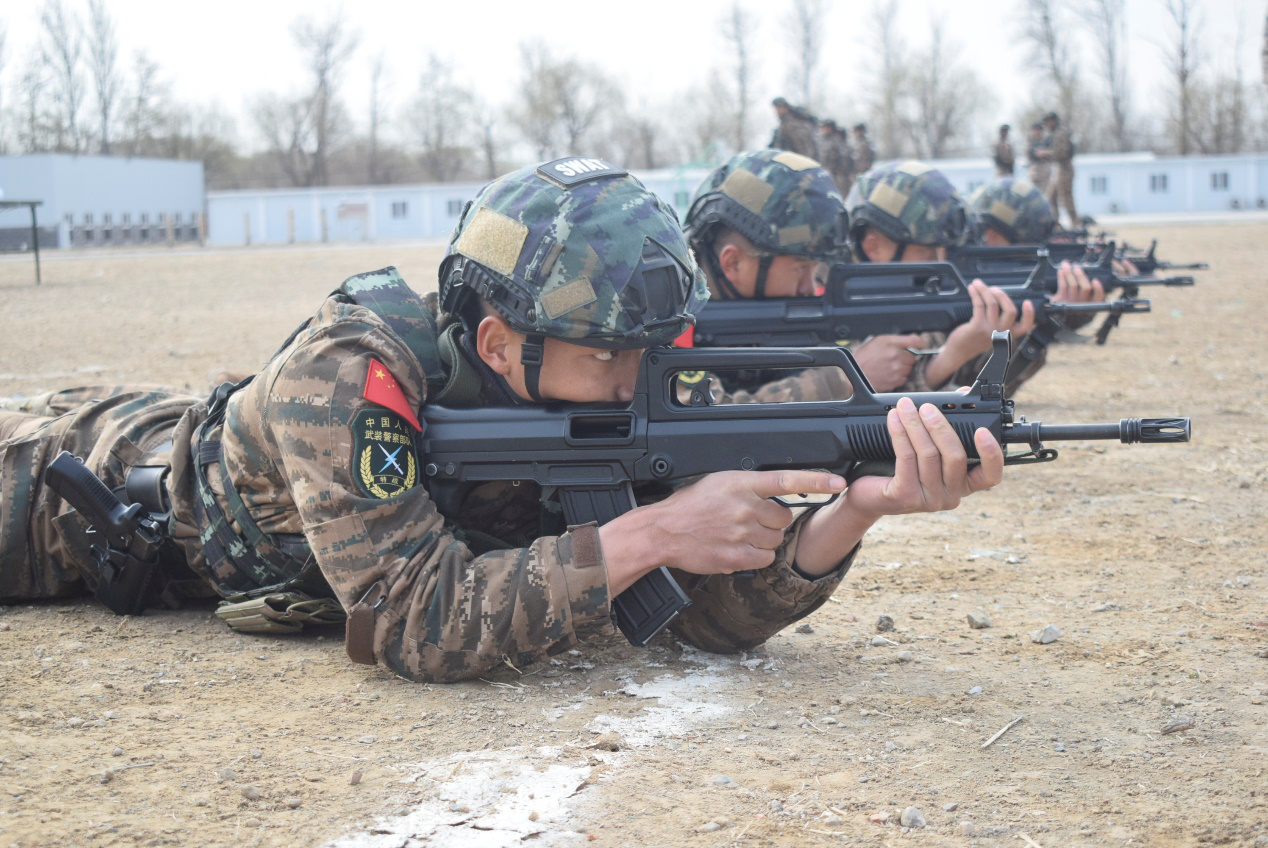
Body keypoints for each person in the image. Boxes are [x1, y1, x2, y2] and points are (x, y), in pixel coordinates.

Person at [0, 158, 1006, 683]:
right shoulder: (353, 373)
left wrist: (844, 514)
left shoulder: (601, 399)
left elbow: (695, 618)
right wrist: (651, 529)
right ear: (496, 342)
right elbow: (408, 617)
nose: (633, 381)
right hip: (59, 492)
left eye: (650, 353)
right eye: (608, 355)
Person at [1037, 112, 1078, 230]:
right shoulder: (1054, 134)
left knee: (1065, 198)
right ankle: (1055, 224)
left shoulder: (1061, 133)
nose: (1046, 125)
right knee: (1051, 197)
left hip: (1064, 168)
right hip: (1058, 168)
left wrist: (1045, 153)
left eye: (1047, 122)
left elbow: (1062, 153)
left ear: (1052, 121)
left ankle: (1075, 223)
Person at [817, 119, 855, 196]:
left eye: (825, 127)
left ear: (830, 129)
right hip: (825, 174)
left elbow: (844, 162)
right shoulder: (822, 141)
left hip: (837, 176)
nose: (823, 130)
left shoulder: (836, 142)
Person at [1026, 122, 1051, 194]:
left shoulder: (1047, 140)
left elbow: (1051, 153)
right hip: (1033, 173)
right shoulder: (1029, 141)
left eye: (1038, 130)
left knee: (1045, 196)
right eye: (1035, 130)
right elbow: (1029, 153)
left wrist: (1045, 153)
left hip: (1045, 173)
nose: (1037, 132)